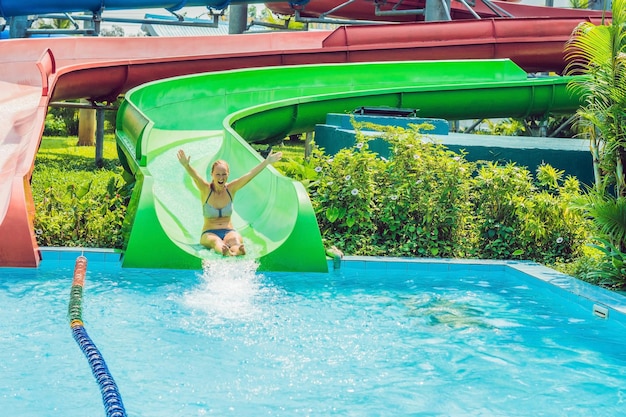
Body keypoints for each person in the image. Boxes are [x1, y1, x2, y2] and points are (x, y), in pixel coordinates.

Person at [177, 149, 282, 256]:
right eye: (217, 174)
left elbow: (249, 175)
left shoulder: (231, 189)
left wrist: (266, 162)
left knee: (235, 240)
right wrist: (186, 166)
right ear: (212, 174)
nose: (221, 178)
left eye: (224, 174)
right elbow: (195, 177)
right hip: (209, 233)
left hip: (229, 231)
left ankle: (237, 251)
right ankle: (225, 251)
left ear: (228, 174)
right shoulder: (206, 190)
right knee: (215, 242)